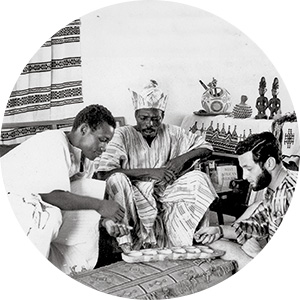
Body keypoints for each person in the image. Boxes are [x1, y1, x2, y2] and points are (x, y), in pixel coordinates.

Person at [1, 104, 125, 274]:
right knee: (49, 216)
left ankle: (66, 271)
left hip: (33, 199)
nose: (104, 148)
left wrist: (105, 221)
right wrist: (100, 205)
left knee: (87, 189)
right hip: (10, 198)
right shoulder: (54, 141)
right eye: (102, 140)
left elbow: (80, 199)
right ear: (83, 129)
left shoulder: (86, 159)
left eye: (108, 142)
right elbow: (53, 196)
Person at [96, 80, 217, 253]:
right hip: (134, 193)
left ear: (162, 116)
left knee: (199, 178)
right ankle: (127, 246)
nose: (150, 124)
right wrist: (152, 172)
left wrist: (182, 159)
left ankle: (189, 243)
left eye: (155, 119)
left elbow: (206, 147)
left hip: (166, 191)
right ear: (136, 115)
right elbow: (103, 174)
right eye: (143, 118)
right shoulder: (122, 134)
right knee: (116, 179)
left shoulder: (172, 132)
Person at [194, 131, 298, 269]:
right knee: (216, 244)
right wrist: (219, 230)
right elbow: (260, 222)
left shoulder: (291, 191)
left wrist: (258, 253)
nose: (244, 176)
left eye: (248, 169)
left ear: (270, 163)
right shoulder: (275, 187)